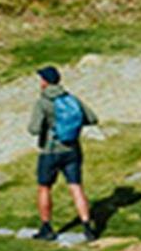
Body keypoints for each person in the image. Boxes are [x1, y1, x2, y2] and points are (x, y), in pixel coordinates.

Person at [28, 65, 96, 241]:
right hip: (73, 150)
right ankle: (88, 228)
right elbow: (92, 118)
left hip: (50, 151)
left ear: (44, 82)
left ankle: (46, 228)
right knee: (76, 187)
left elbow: (33, 129)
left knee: (44, 188)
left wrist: (50, 126)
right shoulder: (71, 98)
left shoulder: (43, 102)